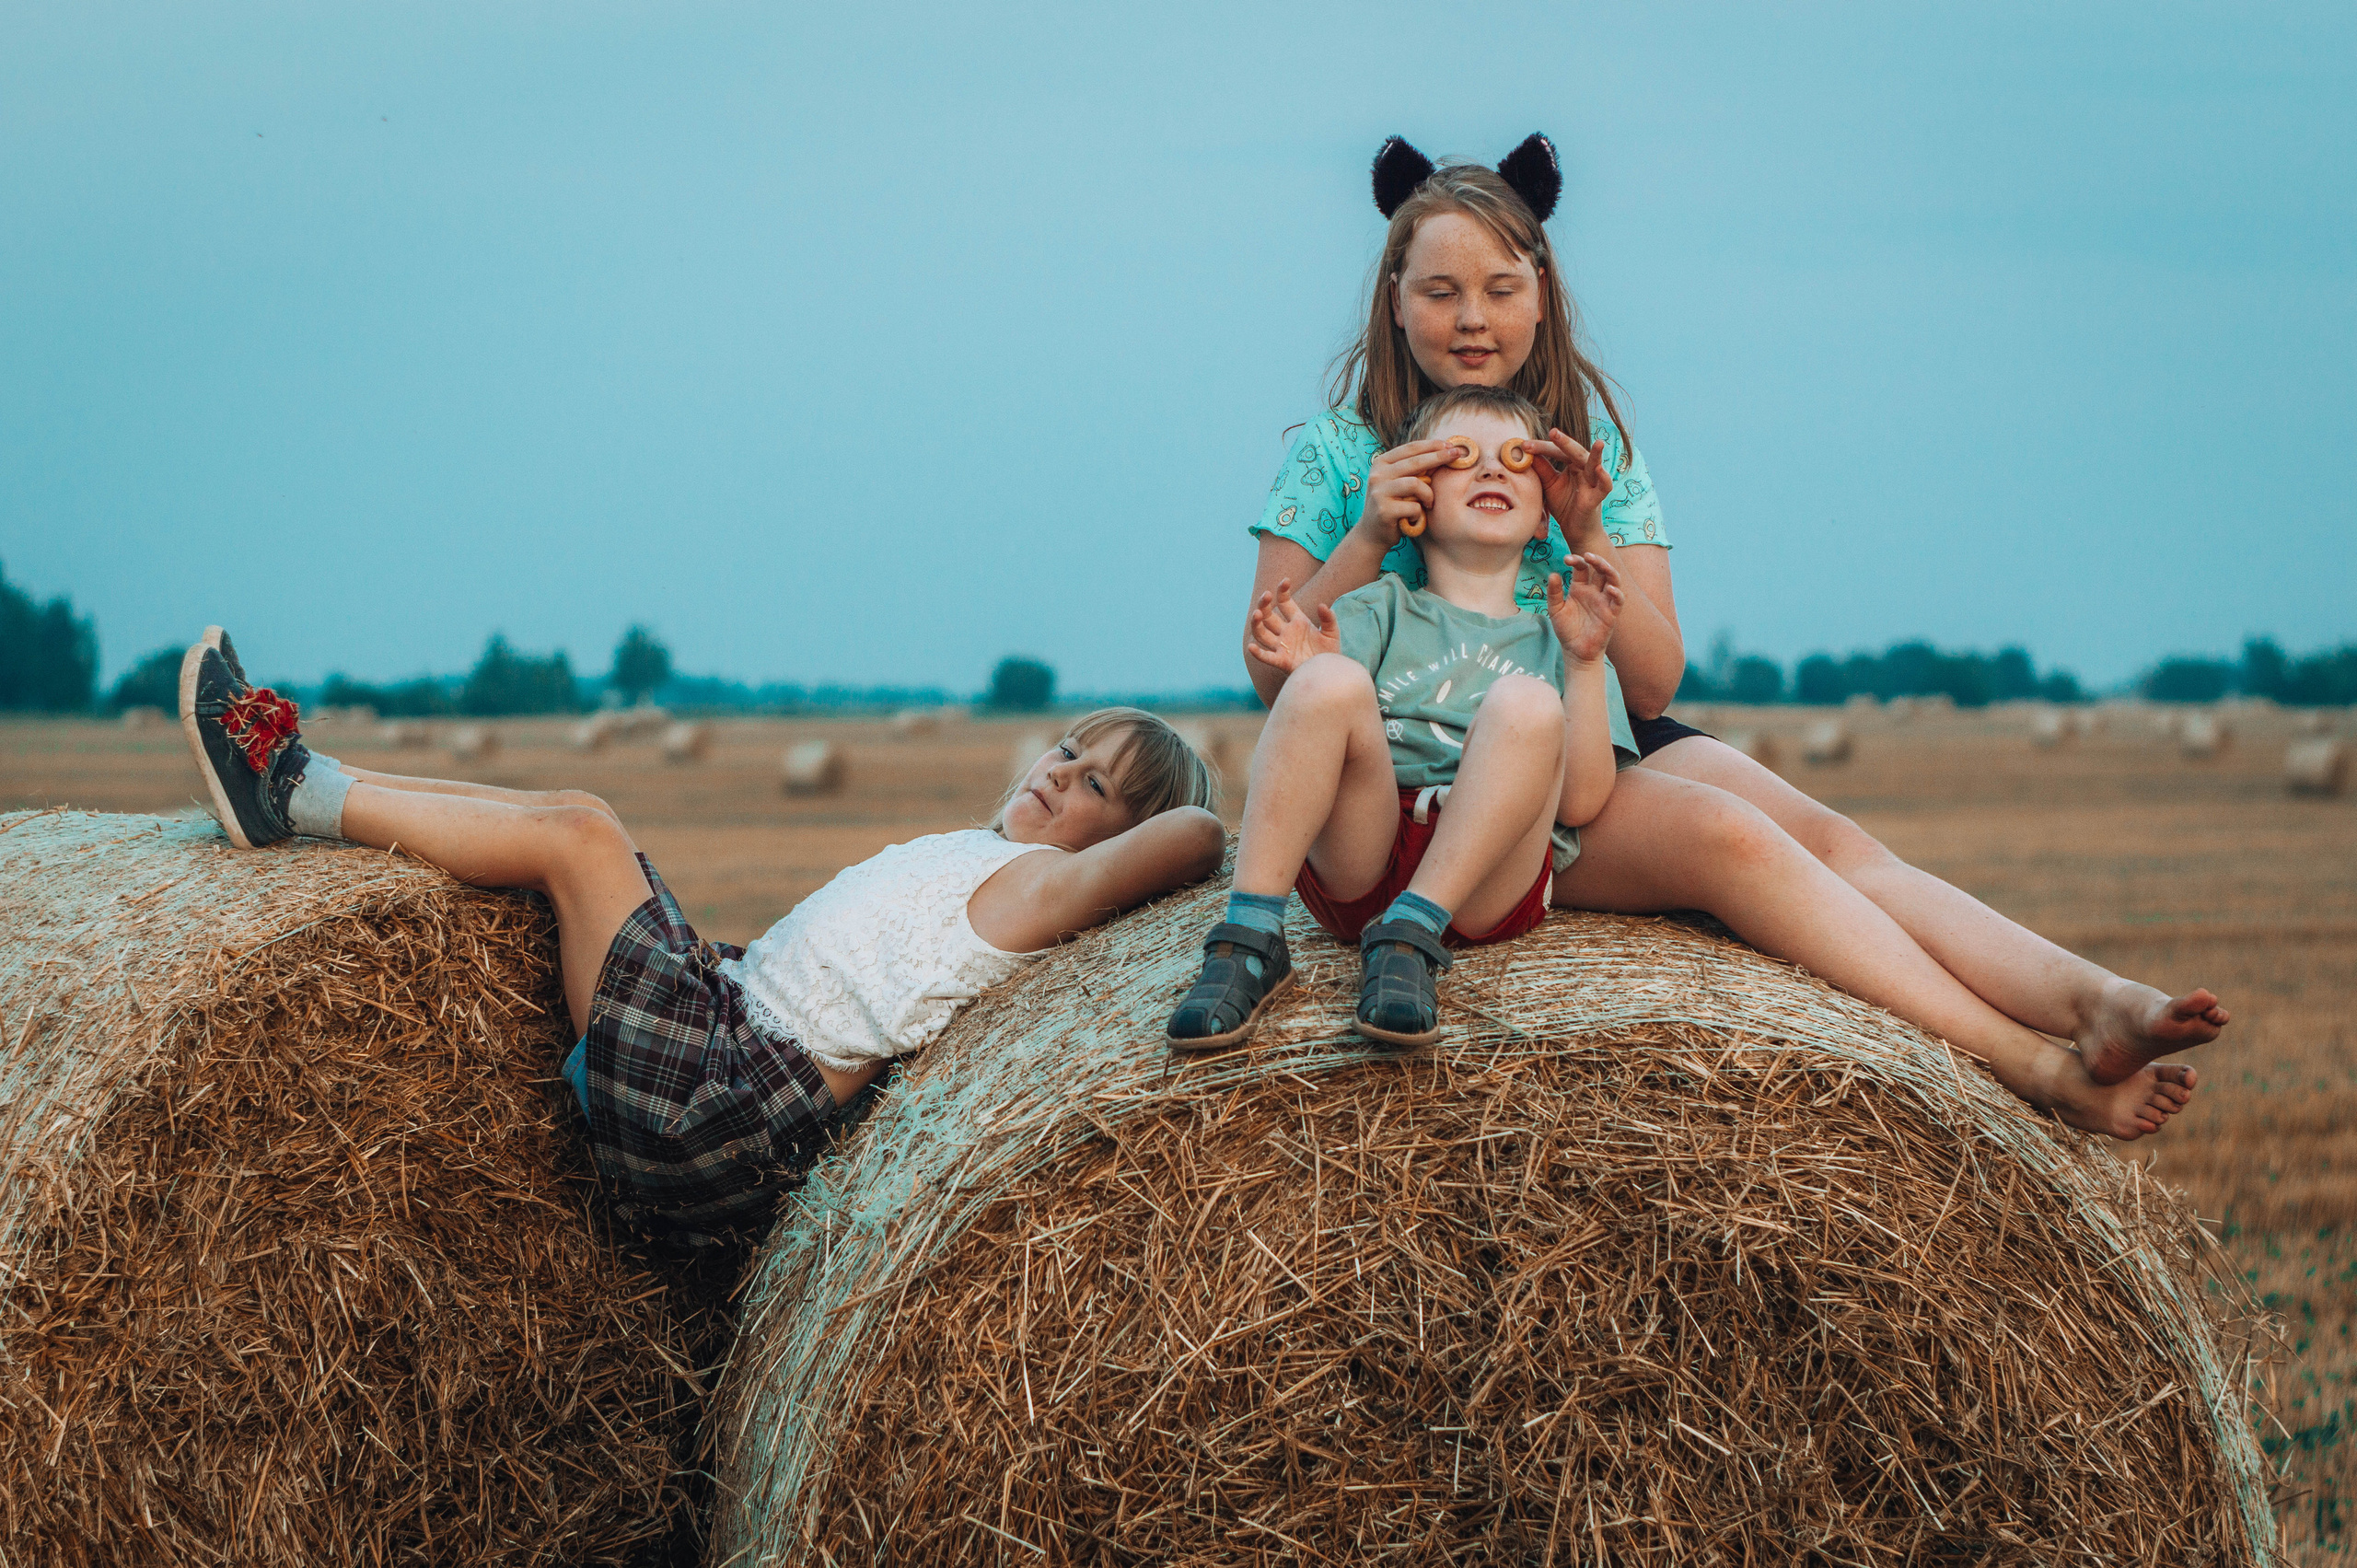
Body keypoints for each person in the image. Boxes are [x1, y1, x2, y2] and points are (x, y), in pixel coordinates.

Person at [1244, 134, 2223, 1141]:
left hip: (1591, 723)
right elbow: (1274, 674)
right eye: (1440, 290)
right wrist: (1367, 534)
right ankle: (2032, 1064)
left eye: (1499, 287)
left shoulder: (1590, 447)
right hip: (1425, 764)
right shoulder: (1337, 451)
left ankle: (2087, 1000)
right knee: (1730, 840)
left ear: (1541, 290)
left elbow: (1656, 682)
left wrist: (1582, 530)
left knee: (1833, 842)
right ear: (1392, 293)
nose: (1472, 318)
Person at [177, 628, 1225, 1240]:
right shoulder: (973, 850)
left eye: (1096, 784)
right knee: (580, 809)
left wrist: (1203, 806)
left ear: (1117, 842)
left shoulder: (1041, 889)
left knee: (584, 837)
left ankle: (292, 791)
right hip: (721, 1028)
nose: (1057, 770)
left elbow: (1200, 831)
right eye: (1066, 747)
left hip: (723, 1103)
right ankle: (306, 774)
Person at [1169, 385, 1625, 1051]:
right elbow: (1315, 715)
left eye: (1514, 459)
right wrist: (1306, 670)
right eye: (1463, 456)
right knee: (1329, 676)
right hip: (1367, 848)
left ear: (1541, 524)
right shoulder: (1382, 607)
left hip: (1485, 880)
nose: (1492, 469)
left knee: (1526, 702)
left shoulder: (1564, 636)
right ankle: (1249, 937)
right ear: (1418, 499)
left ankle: (1412, 933)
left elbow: (1581, 801)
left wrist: (1584, 665)